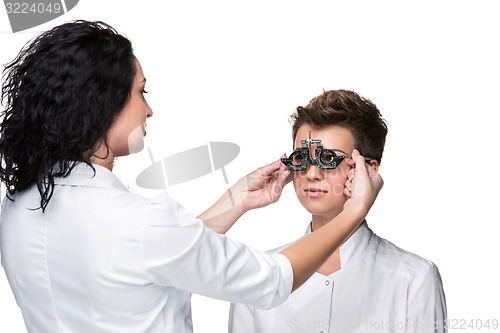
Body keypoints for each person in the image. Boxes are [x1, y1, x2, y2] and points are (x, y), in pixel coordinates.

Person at [0, 21, 383, 333]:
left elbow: (145, 257)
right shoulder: (140, 221)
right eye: (141, 92)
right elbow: (273, 280)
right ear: (103, 102)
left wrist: (237, 200)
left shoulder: (15, 209)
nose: (148, 111)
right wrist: (353, 213)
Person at [229, 90, 447, 332]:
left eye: (329, 158)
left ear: (369, 169)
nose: (312, 174)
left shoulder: (413, 279)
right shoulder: (257, 276)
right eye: (302, 158)